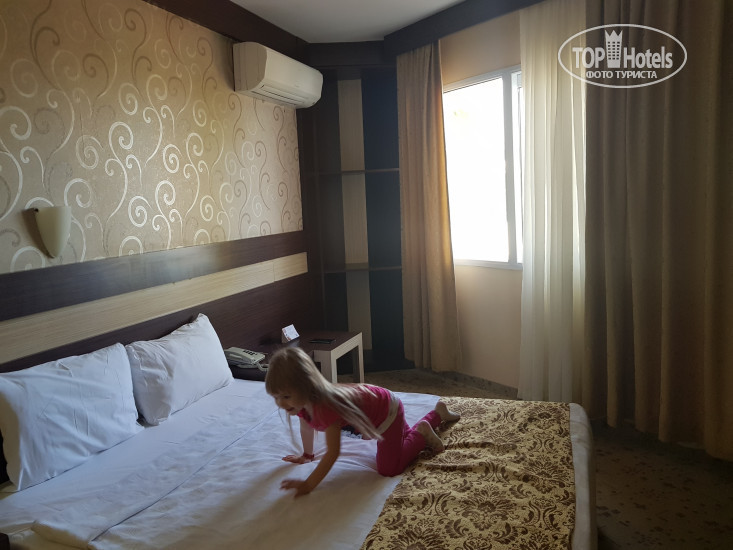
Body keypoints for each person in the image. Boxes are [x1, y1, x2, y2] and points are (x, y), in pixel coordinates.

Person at [265, 346, 460, 498]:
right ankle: (436, 414)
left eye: (286, 396)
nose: (281, 403)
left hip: (386, 413)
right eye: (276, 397)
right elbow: (307, 427)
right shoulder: (302, 404)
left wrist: (309, 485)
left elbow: (333, 453)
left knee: (389, 469)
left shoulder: (325, 407)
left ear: (307, 386)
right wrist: (307, 455)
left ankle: (421, 434)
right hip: (378, 402)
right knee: (400, 442)